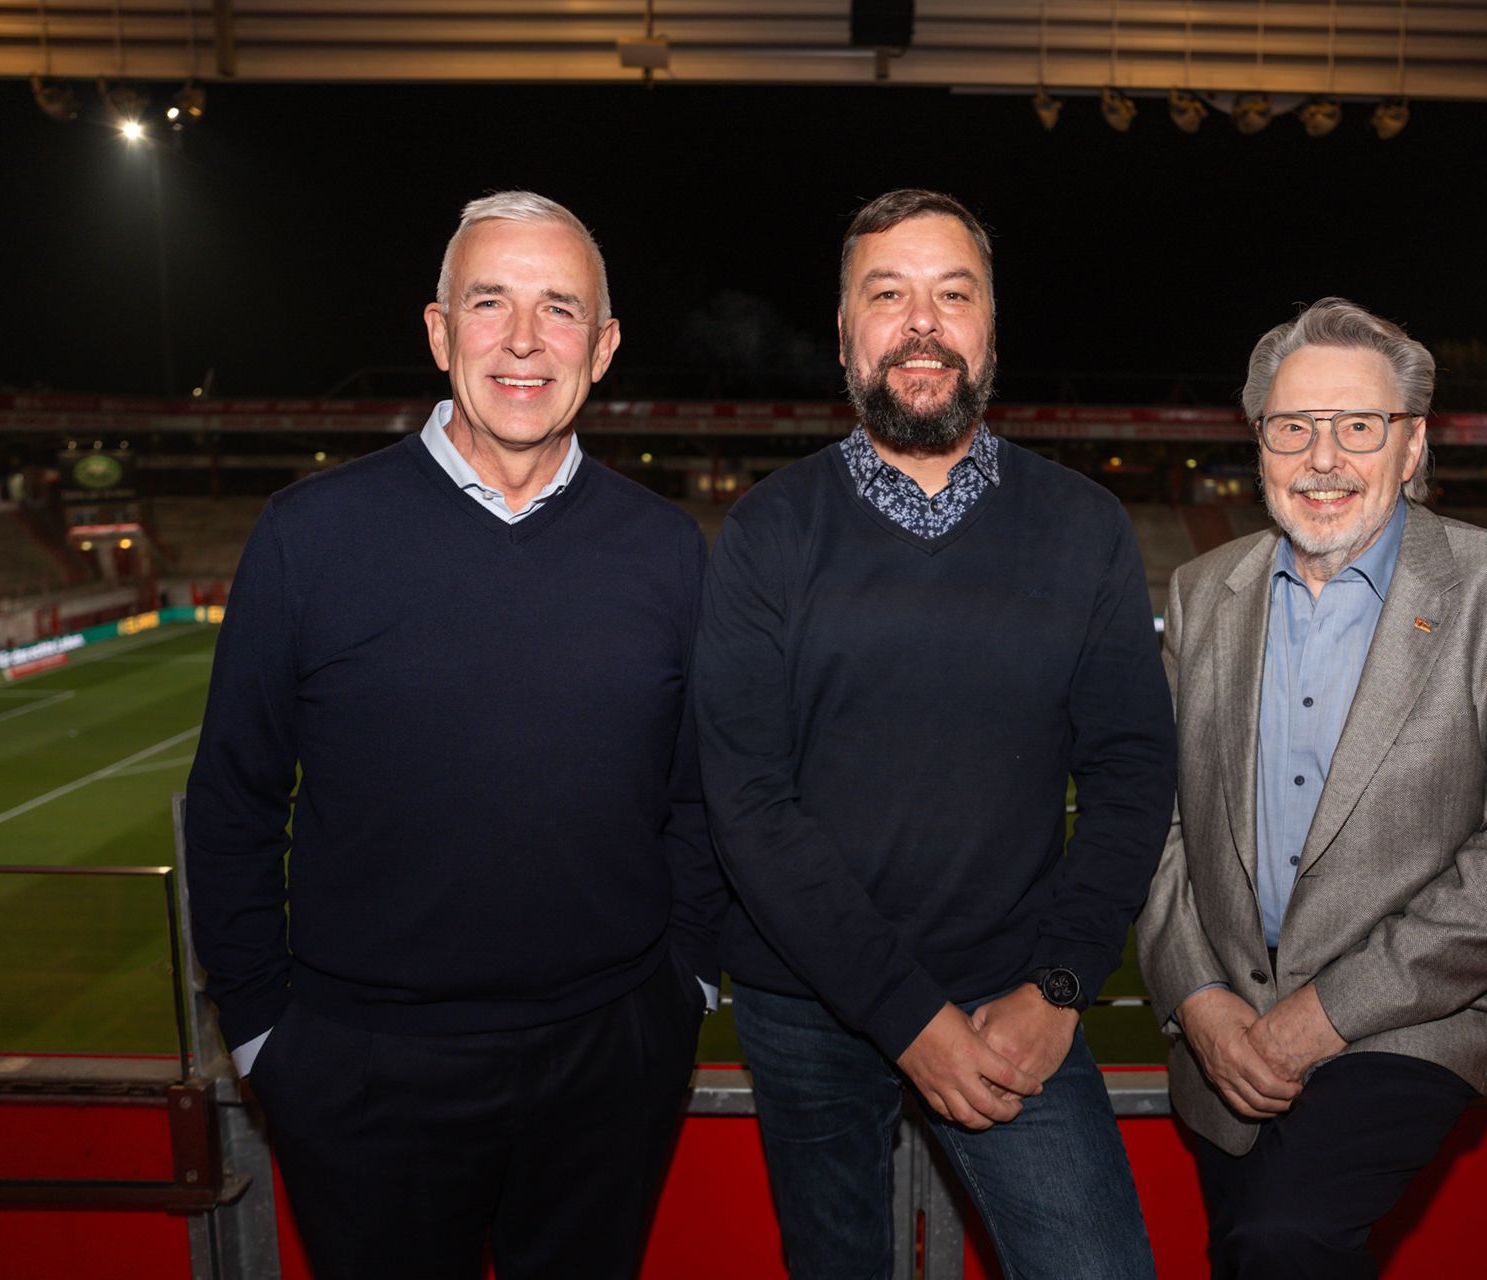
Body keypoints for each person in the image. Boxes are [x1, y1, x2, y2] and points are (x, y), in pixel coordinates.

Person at [184, 191, 724, 1280]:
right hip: (365, 1072)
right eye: (490, 302)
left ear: (602, 348)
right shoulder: (307, 537)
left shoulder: (671, 552)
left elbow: (700, 793)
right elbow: (235, 799)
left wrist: (686, 993)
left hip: (612, 1057)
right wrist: (264, 1037)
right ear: (439, 332)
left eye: (560, 308)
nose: (524, 339)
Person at [692, 188, 1175, 1279]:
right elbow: (748, 803)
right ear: (845, 332)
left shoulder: (1084, 526)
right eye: (888, 295)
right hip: (805, 1002)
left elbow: (1132, 771)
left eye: (953, 295)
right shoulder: (768, 529)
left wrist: (1062, 983)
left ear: (992, 327)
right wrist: (911, 1017)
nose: (922, 323)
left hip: (1016, 996)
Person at [1137, 297, 1487, 1278]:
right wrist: (1198, 997)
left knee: (1283, 1236)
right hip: (1225, 1036)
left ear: (1413, 443)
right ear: (1259, 443)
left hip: (1413, 1021)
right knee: (1248, 1251)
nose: (1323, 458)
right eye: (1293, 427)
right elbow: (1156, 823)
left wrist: (1319, 1016)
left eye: (1358, 426)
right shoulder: (1201, 593)